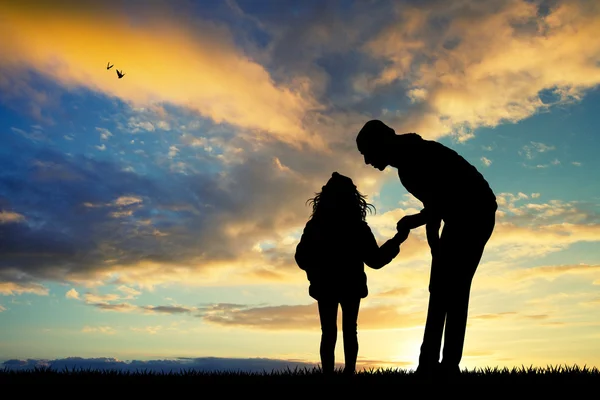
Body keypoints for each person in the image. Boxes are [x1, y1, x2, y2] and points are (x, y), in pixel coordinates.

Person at [356, 119, 498, 380]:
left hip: (476, 211)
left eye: (366, 152)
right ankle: (430, 363)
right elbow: (436, 207)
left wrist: (417, 225)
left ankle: (445, 365)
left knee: (454, 290)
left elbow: (440, 204)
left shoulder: (413, 159)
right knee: (441, 288)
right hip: (457, 216)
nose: (366, 161)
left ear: (380, 143)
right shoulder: (406, 164)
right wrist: (434, 246)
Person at [295, 172, 410, 376]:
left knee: (330, 332)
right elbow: (375, 260)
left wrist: (315, 273)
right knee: (348, 330)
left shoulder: (317, 226)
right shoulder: (357, 228)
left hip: (329, 285)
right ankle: (348, 374)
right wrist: (397, 240)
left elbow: (302, 257)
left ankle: (332, 375)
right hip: (346, 285)